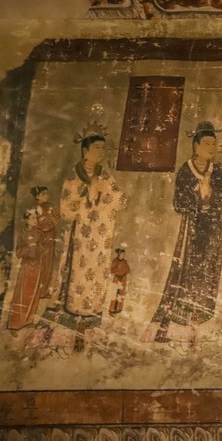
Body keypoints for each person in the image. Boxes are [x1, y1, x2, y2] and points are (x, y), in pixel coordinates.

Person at [141, 121, 222, 348]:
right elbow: (180, 202)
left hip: (213, 233)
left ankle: (200, 329)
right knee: (186, 278)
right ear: (196, 145)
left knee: (208, 278)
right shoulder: (187, 171)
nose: (211, 148)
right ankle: (178, 331)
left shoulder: (216, 171)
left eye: (213, 143)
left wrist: (211, 193)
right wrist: (198, 194)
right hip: (193, 234)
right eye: (207, 143)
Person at [40, 126, 127, 352]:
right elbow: (66, 210)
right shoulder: (73, 175)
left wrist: (103, 194)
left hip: (101, 239)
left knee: (96, 277)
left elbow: (120, 201)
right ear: (85, 151)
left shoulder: (104, 174)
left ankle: (89, 325)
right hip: (80, 239)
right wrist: (86, 196)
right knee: (76, 278)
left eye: (103, 148)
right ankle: (68, 326)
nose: (101, 152)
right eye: (96, 148)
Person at [7, 210, 44, 334]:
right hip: (27, 266)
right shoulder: (22, 234)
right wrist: (29, 247)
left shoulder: (39, 233)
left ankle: (28, 321)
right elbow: (18, 252)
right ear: (27, 220)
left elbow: (44, 247)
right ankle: (14, 325)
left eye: (36, 218)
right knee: (22, 294)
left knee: (34, 294)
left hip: (37, 265)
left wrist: (37, 247)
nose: (35, 221)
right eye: (33, 218)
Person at [31, 186, 60, 298]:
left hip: (50, 236)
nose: (46, 196)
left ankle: (44, 291)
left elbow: (57, 218)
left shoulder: (50, 206)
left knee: (48, 262)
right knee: (38, 262)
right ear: (37, 196)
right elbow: (32, 222)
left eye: (47, 193)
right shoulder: (34, 208)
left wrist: (50, 220)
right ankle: (35, 290)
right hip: (38, 237)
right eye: (43, 194)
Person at [108, 248, 131, 314]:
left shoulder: (125, 262)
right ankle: (111, 309)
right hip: (116, 279)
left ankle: (119, 309)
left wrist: (123, 272)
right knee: (114, 294)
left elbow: (128, 270)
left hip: (123, 279)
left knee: (121, 294)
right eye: (122, 254)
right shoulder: (115, 261)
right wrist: (119, 271)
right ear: (119, 254)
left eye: (124, 254)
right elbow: (112, 270)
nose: (123, 255)